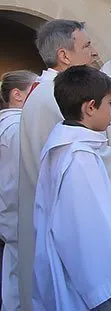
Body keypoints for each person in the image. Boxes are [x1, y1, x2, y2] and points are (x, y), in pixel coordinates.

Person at [17, 19, 111, 309]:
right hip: (78, 259)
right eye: (86, 45)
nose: (94, 52)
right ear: (64, 55)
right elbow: (86, 218)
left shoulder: (44, 93)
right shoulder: (56, 107)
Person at [33, 65, 111, 310]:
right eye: (110, 103)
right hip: (92, 286)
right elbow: (90, 233)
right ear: (90, 107)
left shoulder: (63, 147)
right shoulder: (79, 157)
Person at [0, 70, 38, 310]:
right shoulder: (15, 128)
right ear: (18, 95)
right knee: (19, 285)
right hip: (17, 217)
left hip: (11, 217)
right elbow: (18, 178)